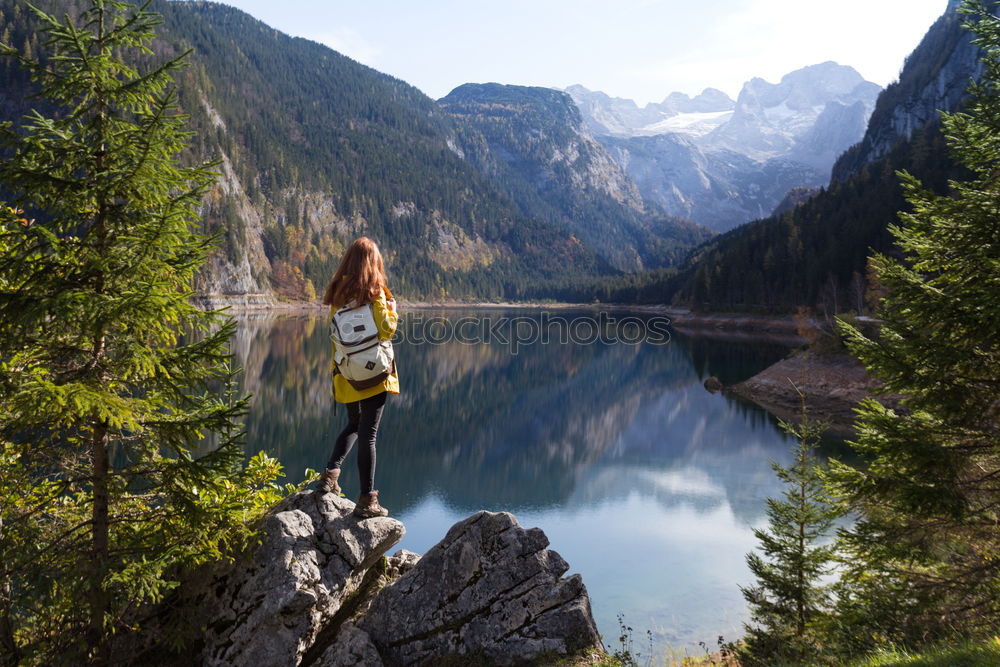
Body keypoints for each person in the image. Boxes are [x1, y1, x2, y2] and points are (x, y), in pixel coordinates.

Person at [318, 237, 398, 518]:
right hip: (373, 373)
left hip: (346, 371)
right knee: (369, 434)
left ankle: (330, 474)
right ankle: (367, 500)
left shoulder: (336, 292)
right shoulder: (375, 292)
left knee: (354, 423)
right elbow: (387, 330)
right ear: (373, 262)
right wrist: (392, 308)